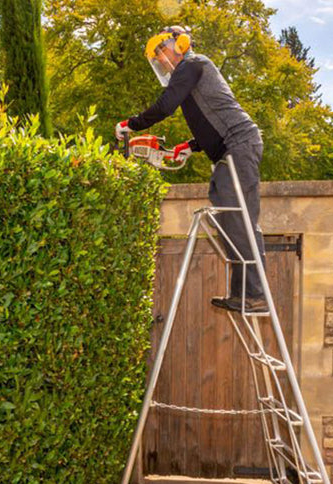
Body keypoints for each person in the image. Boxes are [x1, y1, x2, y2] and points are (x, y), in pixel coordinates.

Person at [115, 26, 268, 314]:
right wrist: (191, 145)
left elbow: (164, 107)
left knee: (237, 217)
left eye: (161, 51)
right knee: (228, 214)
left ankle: (255, 294)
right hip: (232, 148)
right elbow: (212, 116)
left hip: (240, 145)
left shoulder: (194, 64)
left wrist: (130, 124)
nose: (160, 60)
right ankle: (245, 293)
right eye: (156, 57)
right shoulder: (190, 77)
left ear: (180, 43)